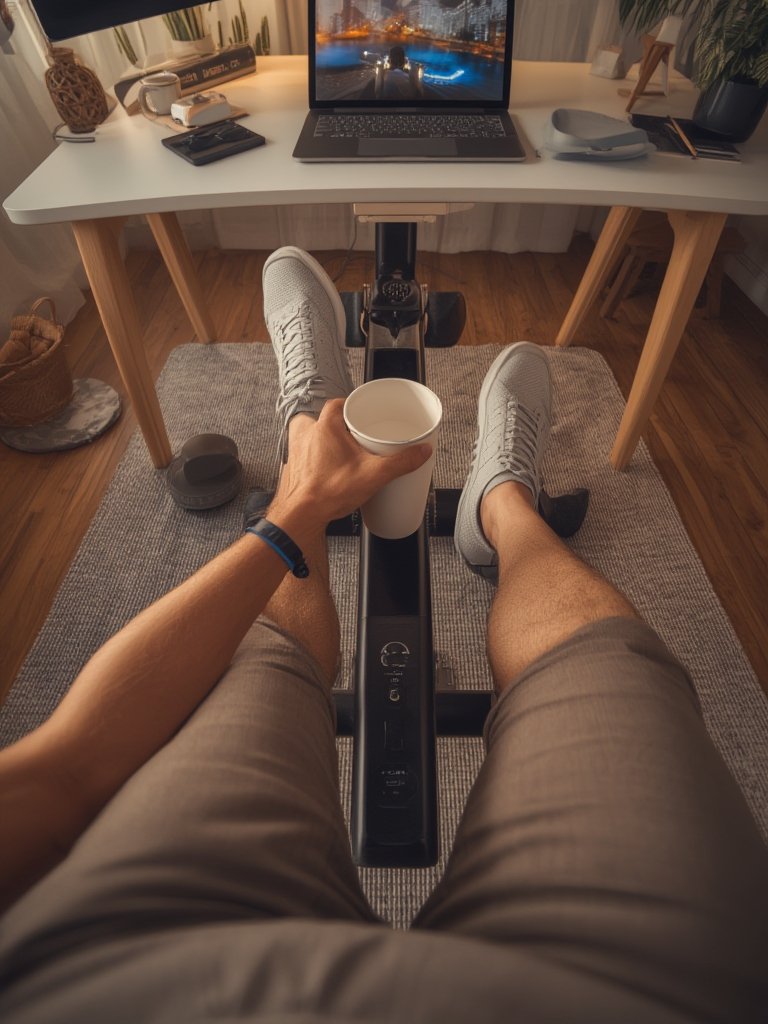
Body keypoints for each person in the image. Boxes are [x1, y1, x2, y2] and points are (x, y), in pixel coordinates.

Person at [0, 247, 766, 1023]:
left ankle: (478, 494)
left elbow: (65, 768)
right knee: (613, 664)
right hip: (646, 989)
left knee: (264, 664)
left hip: (140, 956)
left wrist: (298, 511)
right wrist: (298, 506)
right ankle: (474, 490)